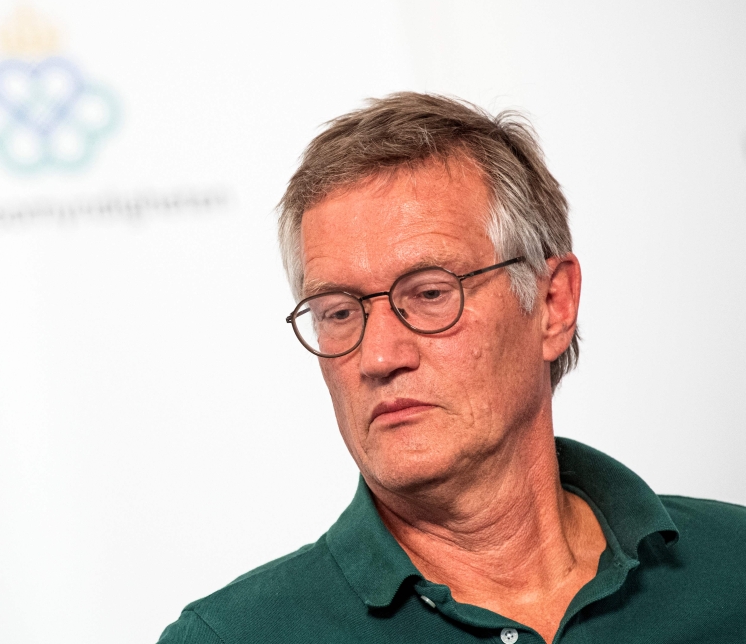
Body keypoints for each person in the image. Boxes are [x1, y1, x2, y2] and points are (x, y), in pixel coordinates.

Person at [157, 93, 746, 643]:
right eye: (338, 311)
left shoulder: (734, 567)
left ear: (551, 305)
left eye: (431, 294)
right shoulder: (235, 636)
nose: (380, 357)